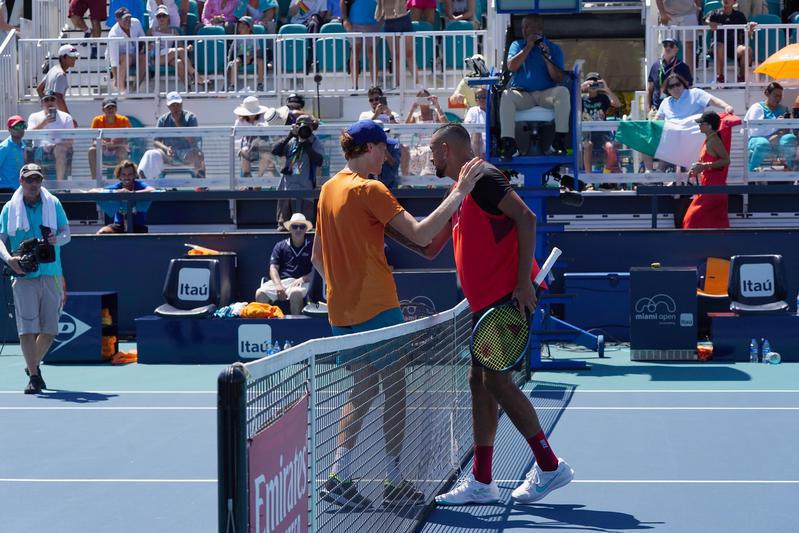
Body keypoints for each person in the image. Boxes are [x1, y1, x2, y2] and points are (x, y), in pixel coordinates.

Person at [387, 123, 574, 506]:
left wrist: (523, 283)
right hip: (485, 304)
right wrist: (383, 226)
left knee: (498, 383)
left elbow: (527, 219)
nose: (430, 158)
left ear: (448, 150)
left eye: (434, 152)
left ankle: (550, 465)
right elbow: (428, 247)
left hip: (506, 299)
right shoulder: (461, 191)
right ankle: (483, 480)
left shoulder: (485, 177)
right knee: (480, 382)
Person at [311, 119, 483, 508]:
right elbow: (421, 234)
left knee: (362, 389)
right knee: (395, 389)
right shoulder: (371, 189)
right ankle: (392, 480)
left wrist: (342, 286)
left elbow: (317, 257)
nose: (388, 155)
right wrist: (460, 191)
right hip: (377, 306)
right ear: (369, 148)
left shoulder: (327, 189)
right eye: (384, 148)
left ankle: (339, 474)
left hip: (342, 312)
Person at [0, 163, 71, 394]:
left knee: (50, 330)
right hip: (23, 274)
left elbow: (66, 234)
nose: (33, 184)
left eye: (37, 179)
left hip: (50, 272)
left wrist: (54, 241)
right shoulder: (10, 208)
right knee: (27, 329)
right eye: (29, 179)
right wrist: (9, 259)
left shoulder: (54, 204)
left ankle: (32, 365)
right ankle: (33, 375)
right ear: (21, 181)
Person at [499, 14, 570, 159]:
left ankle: (559, 141)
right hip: (523, 94)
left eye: (527, 26)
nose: (524, 30)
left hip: (546, 94)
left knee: (563, 92)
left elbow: (558, 77)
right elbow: (512, 66)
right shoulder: (517, 45)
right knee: (506, 95)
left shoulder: (554, 48)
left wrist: (547, 58)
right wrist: (528, 47)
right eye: (523, 27)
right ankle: (509, 143)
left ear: (539, 29)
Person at [138, 92, 206, 180]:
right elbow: (156, 141)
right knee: (150, 153)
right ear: (168, 107)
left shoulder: (191, 117)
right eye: (173, 105)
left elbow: (192, 141)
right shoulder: (163, 119)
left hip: (187, 152)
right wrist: (166, 149)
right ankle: (143, 180)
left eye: (178, 104)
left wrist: (178, 124)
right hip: (168, 154)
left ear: (181, 104)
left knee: (198, 155)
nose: (176, 107)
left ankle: (201, 186)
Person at [271, 114, 323, 229]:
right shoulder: (291, 141)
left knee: (304, 226)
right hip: (287, 187)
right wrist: (290, 135)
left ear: (312, 127)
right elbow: (275, 151)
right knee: (283, 225)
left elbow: (319, 161)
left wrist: (306, 144)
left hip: (305, 188)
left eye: (306, 126)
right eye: (300, 126)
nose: (303, 128)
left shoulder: (315, 142)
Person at [255, 213, 314, 314]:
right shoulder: (280, 246)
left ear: (306, 229)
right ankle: (268, 326)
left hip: (303, 283)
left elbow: (317, 268)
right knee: (260, 293)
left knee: (296, 293)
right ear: (290, 229)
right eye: (295, 226)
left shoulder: (312, 246)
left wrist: (304, 278)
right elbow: (273, 268)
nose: (298, 229)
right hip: (283, 282)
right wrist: (278, 285)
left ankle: (296, 328)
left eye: (302, 226)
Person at [683, 111, 731, 229]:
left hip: (714, 188)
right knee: (715, 224)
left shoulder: (714, 140)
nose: (699, 125)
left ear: (709, 126)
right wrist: (699, 167)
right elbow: (712, 162)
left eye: (701, 123)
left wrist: (703, 166)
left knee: (691, 221)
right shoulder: (710, 139)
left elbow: (726, 160)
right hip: (710, 186)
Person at [744, 82, 797, 172]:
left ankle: (790, 170)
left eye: (780, 96)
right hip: (757, 140)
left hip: (777, 140)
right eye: (775, 95)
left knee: (790, 138)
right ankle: (751, 173)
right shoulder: (756, 108)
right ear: (767, 93)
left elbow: (786, 130)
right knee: (763, 143)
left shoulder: (784, 109)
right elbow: (755, 131)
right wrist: (776, 125)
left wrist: (778, 133)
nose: (778, 99)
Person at [92, 160, 156, 234]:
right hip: (119, 225)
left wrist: (131, 193)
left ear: (134, 175)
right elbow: (94, 190)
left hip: (138, 226)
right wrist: (117, 192)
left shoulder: (139, 185)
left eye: (130, 174)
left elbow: (152, 189)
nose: (127, 177)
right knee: (101, 233)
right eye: (124, 174)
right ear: (119, 175)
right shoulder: (117, 187)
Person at [149, 5, 204, 87]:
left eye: (163, 16)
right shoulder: (151, 31)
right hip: (155, 58)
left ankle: (188, 89)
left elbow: (181, 47)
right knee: (180, 51)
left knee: (179, 63)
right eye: (159, 16)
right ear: (156, 18)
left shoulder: (174, 31)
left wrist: (187, 49)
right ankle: (195, 74)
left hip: (168, 55)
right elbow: (144, 46)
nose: (161, 18)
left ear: (168, 17)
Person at [27, 92, 75, 181]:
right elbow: (28, 135)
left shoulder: (66, 117)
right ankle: (39, 184)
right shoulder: (34, 116)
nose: (50, 102)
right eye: (46, 100)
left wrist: (56, 145)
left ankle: (59, 184)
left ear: (56, 102)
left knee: (60, 149)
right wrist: (44, 122)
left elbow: (71, 140)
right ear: (41, 103)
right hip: (39, 149)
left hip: (61, 149)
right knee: (31, 152)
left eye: (52, 99)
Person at [705, 0, 756, 83]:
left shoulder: (740, 15)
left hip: (735, 47)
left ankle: (741, 77)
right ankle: (720, 77)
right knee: (720, 46)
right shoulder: (714, 13)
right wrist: (709, 23)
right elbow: (705, 20)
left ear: (734, 1)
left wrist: (750, 29)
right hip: (718, 46)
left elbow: (747, 32)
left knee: (746, 50)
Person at [580, 71, 621, 173]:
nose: (593, 85)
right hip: (587, 134)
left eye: (596, 83)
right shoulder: (581, 99)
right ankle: (589, 179)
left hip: (602, 134)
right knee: (587, 145)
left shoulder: (603, 98)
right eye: (590, 83)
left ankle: (606, 175)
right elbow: (571, 101)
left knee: (611, 147)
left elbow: (617, 104)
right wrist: (580, 88)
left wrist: (606, 89)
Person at [234, 95, 280, 178]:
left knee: (266, 154)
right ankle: (247, 180)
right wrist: (241, 149)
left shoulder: (264, 118)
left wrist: (261, 127)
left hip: (263, 147)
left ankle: (258, 181)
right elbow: (236, 139)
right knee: (245, 151)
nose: (252, 114)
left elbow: (270, 132)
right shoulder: (240, 122)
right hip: (247, 148)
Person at [646, 38, 693, 117]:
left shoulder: (683, 67)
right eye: (665, 46)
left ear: (676, 49)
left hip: (675, 110)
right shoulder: (655, 66)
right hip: (656, 110)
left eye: (671, 46)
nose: (667, 48)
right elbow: (650, 89)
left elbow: (688, 89)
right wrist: (648, 109)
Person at [656, 73, 734, 120]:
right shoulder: (665, 102)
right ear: (668, 90)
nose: (675, 88)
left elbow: (712, 100)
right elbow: (657, 120)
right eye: (671, 86)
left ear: (683, 85)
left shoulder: (695, 93)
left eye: (677, 84)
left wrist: (726, 106)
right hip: (672, 138)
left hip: (693, 136)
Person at [88, 98, 131, 180]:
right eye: (108, 107)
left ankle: (120, 181)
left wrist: (118, 143)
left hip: (118, 148)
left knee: (122, 151)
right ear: (103, 110)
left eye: (112, 107)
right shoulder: (97, 120)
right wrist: (100, 143)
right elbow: (93, 140)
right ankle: (95, 181)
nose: (110, 109)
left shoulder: (123, 120)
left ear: (116, 109)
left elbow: (128, 139)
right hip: (103, 150)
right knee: (91, 150)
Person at [106, 7, 147, 93]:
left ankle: (136, 89)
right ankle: (121, 89)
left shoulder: (136, 23)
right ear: (118, 20)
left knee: (144, 57)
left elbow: (143, 40)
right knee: (127, 57)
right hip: (118, 57)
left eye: (129, 18)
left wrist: (144, 48)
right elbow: (113, 59)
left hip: (132, 55)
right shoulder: (113, 34)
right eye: (125, 19)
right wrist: (115, 77)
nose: (128, 21)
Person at [341, 0, 380, 89]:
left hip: (373, 23)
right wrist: (345, 19)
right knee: (355, 52)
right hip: (353, 23)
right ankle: (354, 86)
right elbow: (343, 2)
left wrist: (380, 21)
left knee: (372, 53)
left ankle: (374, 86)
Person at [377, 0, 416, 87]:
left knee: (409, 54)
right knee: (395, 56)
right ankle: (399, 85)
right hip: (389, 20)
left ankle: (418, 84)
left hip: (403, 18)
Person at [655, 0, 701, 73]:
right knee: (668, 46)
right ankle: (667, 76)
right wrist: (662, 13)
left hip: (689, 13)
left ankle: (688, 76)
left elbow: (698, 2)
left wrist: (697, 11)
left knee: (689, 46)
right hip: (668, 15)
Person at [36, 44, 79, 119]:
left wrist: (46, 105)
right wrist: (68, 117)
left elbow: (39, 89)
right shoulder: (61, 74)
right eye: (71, 57)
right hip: (57, 117)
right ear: (63, 58)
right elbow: (58, 98)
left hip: (48, 115)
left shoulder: (53, 69)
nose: (74, 59)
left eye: (75, 57)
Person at [226, 16, 265, 91]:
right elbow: (232, 51)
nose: (240, 28)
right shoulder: (237, 38)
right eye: (240, 26)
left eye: (243, 26)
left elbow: (256, 50)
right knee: (235, 63)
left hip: (252, 56)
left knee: (260, 62)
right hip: (240, 57)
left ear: (249, 27)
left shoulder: (254, 37)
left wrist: (250, 57)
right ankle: (232, 85)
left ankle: (260, 83)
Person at [0, 115, 26, 192]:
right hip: (5, 190)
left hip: (19, 189)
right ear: (9, 129)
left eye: (23, 126)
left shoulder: (23, 145)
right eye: (17, 126)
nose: (21, 129)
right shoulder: (4, 147)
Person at [464, 87, 486, 157]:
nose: (481, 99)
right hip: (476, 148)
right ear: (476, 100)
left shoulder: (494, 110)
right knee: (477, 132)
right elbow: (466, 128)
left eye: (484, 96)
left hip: (490, 146)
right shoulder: (472, 111)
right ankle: (476, 162)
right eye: (479, 97)